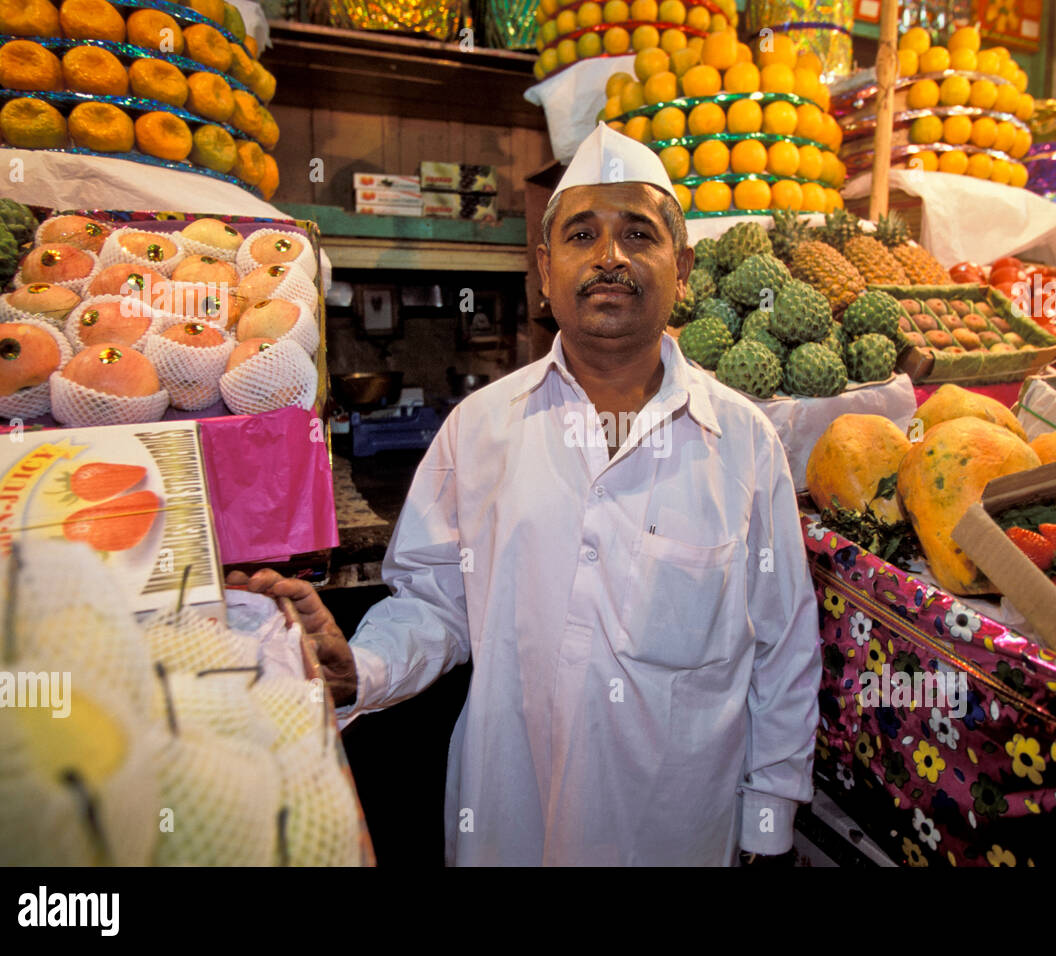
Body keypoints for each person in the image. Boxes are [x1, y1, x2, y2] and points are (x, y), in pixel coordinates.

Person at [230, 124, 821, 866]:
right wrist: (361, 667)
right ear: (544, 270)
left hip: (674, 829)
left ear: (685, 268)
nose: (610, 256)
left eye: (638, 233)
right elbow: (438, 603)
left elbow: (784, 645)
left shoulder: (743, 443)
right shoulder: (481, 428)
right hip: (509, 820)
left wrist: (767, 824)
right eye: (582, 234)